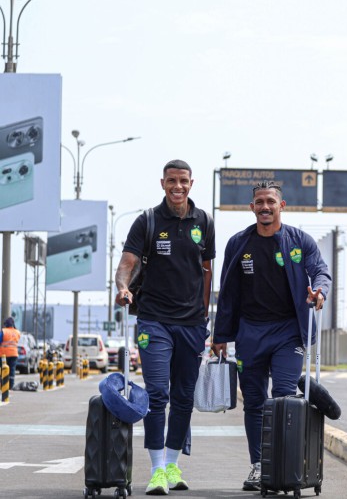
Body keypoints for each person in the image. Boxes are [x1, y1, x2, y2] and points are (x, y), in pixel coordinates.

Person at [212, 180, 331, 492]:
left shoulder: (299, 241)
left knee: (281, 395)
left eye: (271, 202)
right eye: (259, 202)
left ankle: (282, 464)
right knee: (253, 402)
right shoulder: (238, 243)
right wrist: (220, 334)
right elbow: (227, 293)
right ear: (252, 208)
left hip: (288, 331)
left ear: (282, 206)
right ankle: (259, 466)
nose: (265, 207)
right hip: (250, 332)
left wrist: (319, 292)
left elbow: (320, 271)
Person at [115, 159, 215, 495]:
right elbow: (126, 264)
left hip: (192, 324)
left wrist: (204, 316)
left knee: (184, 397)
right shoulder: (148, 221)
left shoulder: (204, 221)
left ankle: (173, 465)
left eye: (183, 181)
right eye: (172, 181)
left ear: (191, 183)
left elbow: (206, 271)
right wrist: (123, 288)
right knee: (159, 393)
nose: (178, 186)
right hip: (154, 320)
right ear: (162, 183)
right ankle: (157, 470)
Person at [0, 317, 21, 389]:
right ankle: (11, 386)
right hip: (14, 354)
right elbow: (17, 340)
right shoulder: (17, 332)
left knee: (3, 369)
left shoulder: (4, 331)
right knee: (12, 370)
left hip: (4, 355)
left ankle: (2, 384)